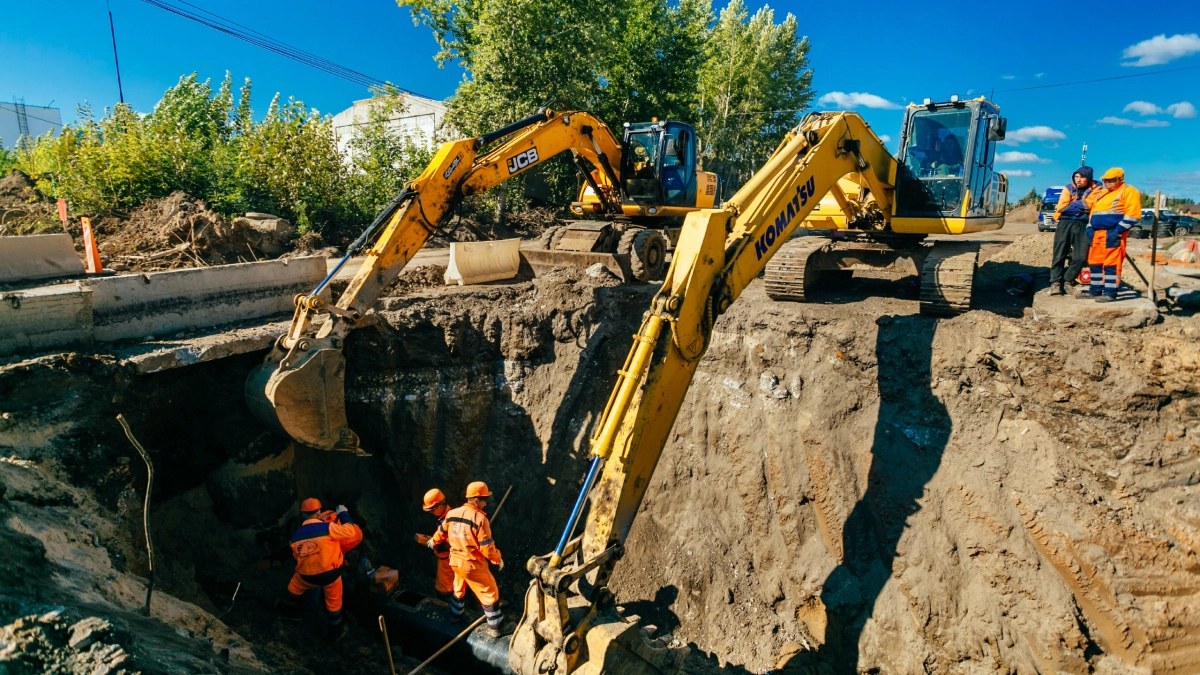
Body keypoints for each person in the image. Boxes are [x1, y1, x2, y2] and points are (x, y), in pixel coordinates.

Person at [430, 481, 505, 637]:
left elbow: (441, 532)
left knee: (458, 590)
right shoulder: (480, 519)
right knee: (489, 591)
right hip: (472, 564)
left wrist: (434, 541)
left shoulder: (451, 514)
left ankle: (455, 616)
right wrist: (497, 559)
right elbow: (487, 548)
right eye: (484, 499)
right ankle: (496, 626)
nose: (486, 503)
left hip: (455, 562)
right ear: (476, 500)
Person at [280, 498, 359, 639]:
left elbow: (298, 557)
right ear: (319, 512)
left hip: (306, 577)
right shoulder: (328, 528)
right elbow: (350, 531)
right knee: (334, 603)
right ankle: (335, 634)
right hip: (331, 575)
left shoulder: (295, 538)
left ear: (303, 514)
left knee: (293, 588)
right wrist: (343, 514)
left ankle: (286, 613)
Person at [1083, 168, 1141, 302]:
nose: (1106, 183)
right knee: (1095, 262)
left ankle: (1110, 293)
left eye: (1110, 180)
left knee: (1111, 264)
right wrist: (1090, 229)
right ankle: (1095, 290)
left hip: (1112, 233)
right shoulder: (1102, 194)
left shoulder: (1128, 191)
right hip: (1097, 234)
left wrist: (1117, 231)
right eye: (1105, 180)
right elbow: (1093, 214)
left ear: (1120, 180)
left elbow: (1133, 215)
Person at [1049, 166, 1099, 295]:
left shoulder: (1097, 188)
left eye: (1082, 177)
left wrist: (1072, 206)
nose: (1078, 180)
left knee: (1081, 256)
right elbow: (1061, 207)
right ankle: (1055, 283)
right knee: (1059, 254)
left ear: (1088, 178)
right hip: (1065, 223)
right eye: (1076, 177)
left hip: (1083, 224)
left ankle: (1068, 280)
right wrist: (1081, 209)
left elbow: (1091, 204)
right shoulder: (1068, 188)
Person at [418, 488, 455, 604]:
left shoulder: (449, 520)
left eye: (431, 510)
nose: (430, 513)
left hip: (448, 561)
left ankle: (448, 605)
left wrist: (440, 545)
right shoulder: (446, 517)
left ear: (439, 507)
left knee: (444, 589)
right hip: (446, 559)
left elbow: (455, 542)